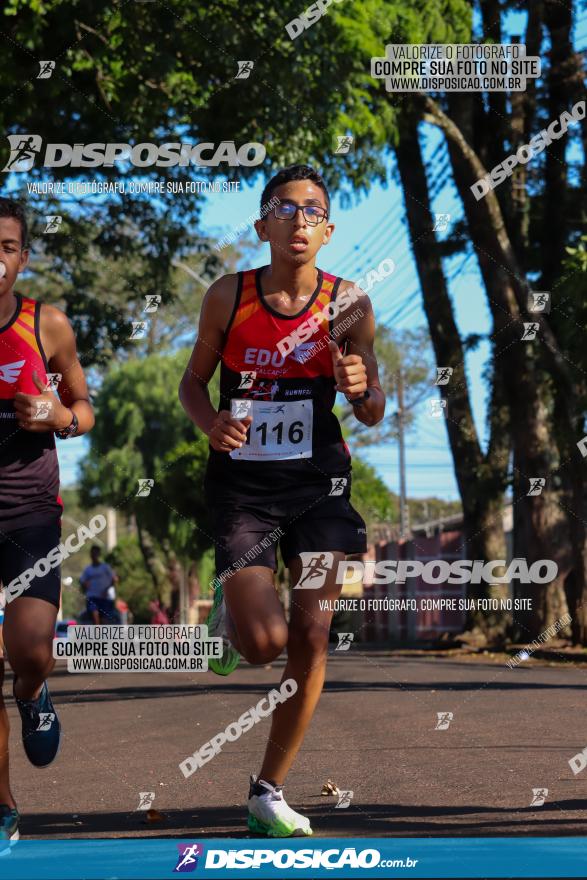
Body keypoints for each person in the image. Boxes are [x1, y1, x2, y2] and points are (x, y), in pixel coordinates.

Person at [179, 165, 385, 837]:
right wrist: (211, 424)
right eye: (284, 207)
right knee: (265, 644)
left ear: (327, 230)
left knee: (312, 633)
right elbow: (192, 384)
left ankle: (268, 790)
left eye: (312, 210)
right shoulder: (227, 296)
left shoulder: (348, 303)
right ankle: (235, 623)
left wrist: (359, 387)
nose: (298, 219)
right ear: (262, 224)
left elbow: (373, 407)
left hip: (320, 488)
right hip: (243, 488)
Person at [0, 198, 94, 844]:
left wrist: (58, 418)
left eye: (5, 245)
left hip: (30, 513)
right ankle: (2, 799)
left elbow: (85, 407)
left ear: (22, 257)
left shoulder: (47, 325)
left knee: (30, 651)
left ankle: (33, 693)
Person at [79, 545, 118, 625]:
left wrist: (107, 589)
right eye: (93, 554)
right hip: (92, 597)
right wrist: (85, 586)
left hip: (104, 598)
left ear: (99, 554)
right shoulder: (88, 569)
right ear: (91, 555)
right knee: (95, 616)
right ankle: (97, 635)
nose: (94, 556)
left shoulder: (105, 567)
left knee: (104, 620)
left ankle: (104, 635)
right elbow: (82, 581)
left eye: (96, 554)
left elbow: (115, 579)